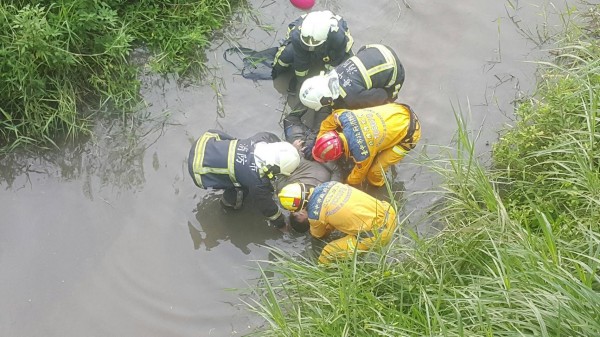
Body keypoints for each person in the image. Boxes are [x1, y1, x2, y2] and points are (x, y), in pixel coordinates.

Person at [188, 129, 301, 229]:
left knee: (236, 147)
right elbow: (268, 208)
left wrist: (292, 150)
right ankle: (228, 205)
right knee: (240, 189)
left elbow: (277, 143)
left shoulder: (263, 137)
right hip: (199, 170)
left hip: (205, 141)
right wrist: (281, 225)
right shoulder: (258, 182)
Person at [278, 181, 397, 264]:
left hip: (380, 235)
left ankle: (329, 278)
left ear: (299, 210)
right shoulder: (330, 184)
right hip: (389, 212)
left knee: (326, 254)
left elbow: (318, 235)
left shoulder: (316, 215)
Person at [309, 102, 421, 187]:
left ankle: (379, 187)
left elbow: (357, 177)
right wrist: (321, 142)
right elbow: (328, 122)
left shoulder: (362, 153)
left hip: (409, 133)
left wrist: (345, 184)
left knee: (374, 173)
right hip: (397, 110)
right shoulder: (344, 117)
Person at [299, 44, 405, 112]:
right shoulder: (333, 72)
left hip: (394, 69)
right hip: (376, 48)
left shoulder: (353, 97)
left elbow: (382, 95)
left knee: (383, 104)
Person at [272, 10, 354, 92]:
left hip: (331, 45)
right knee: (286, 55)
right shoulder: (296, 35)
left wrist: (326, 76)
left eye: (313, 45)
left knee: (347, 64)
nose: (309, 48)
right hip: (302, 41)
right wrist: (301, 80)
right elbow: (301, 59)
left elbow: (337, 58)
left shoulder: (338, 38)